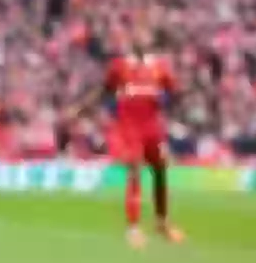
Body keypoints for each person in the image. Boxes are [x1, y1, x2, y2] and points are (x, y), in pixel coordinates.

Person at [76, 25, 187, 249]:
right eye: (137, 36)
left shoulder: (159, 67)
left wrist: (171, 105)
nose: (141, 40)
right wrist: (82, 107)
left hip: (153, 127)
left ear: (150, 41)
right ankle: (133, 228)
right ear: (132, 42)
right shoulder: (120, 66)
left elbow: (175, 91)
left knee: (160, 169)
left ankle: (162, 222)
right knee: (135, 170)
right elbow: (104, 89)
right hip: (129, 128)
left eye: (144, 36)